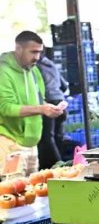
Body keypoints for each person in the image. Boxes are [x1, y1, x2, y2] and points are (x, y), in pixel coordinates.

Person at [0, 32, 65, 169]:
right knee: (13, 187)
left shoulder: (34, 72)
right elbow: (5, 107)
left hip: (32, 144)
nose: (37, 57)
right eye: (33, 52)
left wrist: (50, 109)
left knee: (32, 188)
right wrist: (41, 109)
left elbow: (40, 100)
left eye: (39, 52)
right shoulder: (3, 72)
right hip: (11, 143)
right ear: (19, 49)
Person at [35, 52, 69, 168]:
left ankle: (56, 168)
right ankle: (63, 165)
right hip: (60, 102)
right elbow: (64, 86)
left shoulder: (34, 67)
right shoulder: (52, 64)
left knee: (47, 138)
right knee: (58, 137)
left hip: (48, 103)